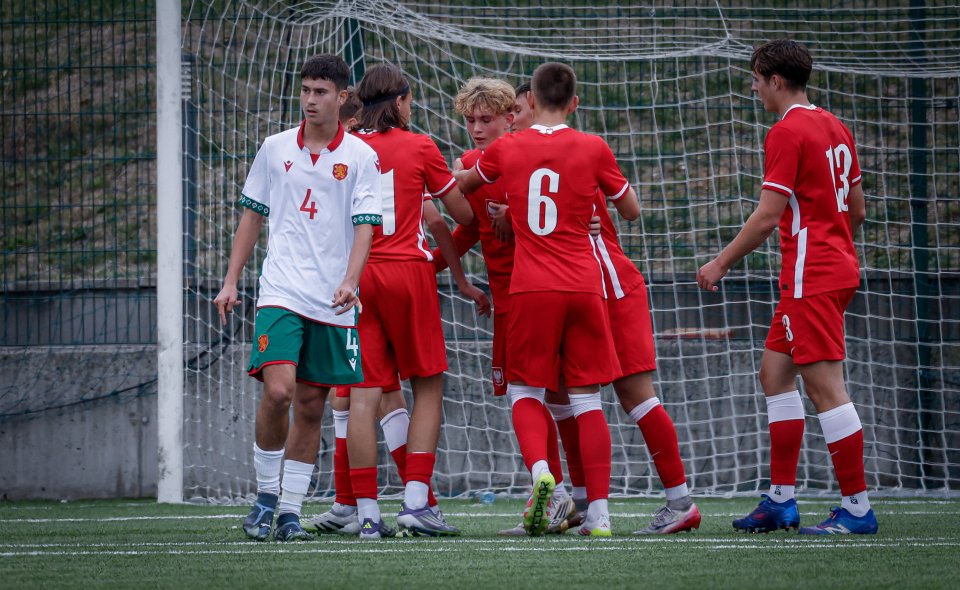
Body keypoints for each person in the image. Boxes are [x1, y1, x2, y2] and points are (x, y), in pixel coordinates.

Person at [697, 39, 876, 535]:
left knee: (826, 389)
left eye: (756, 78)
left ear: (775, 80)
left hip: (811, 278)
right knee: (775, 374)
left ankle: (858, 508)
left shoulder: (787, 132)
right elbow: (856, 210)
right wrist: (830, 242)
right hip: (830, 270)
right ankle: (781, 499)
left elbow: (766, 217)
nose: (753, 87)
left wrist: (719, 263)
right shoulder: (835, 126)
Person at [456, 62, 641, 537]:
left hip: (532, 288)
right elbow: (632, 210)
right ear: (574, 103)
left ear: (529, 102)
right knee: (587, 400)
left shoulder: (507, 148)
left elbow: (464, 186)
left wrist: (504, 202)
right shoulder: (593, 147)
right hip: (584, 286)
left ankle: (543, 475)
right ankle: (598, 515)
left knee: (525, 391)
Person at [213, 54, 382, 542]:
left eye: (321, 91)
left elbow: (365, 225)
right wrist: (230, 280)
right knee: (279, 390)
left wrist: (351, 280)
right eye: (306, 90)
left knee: (311, 406)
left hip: (332, 299)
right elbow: (252, 215)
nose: (310, 99)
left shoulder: (361, 157)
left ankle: (289, 512)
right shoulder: (274, 148)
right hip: (281, 290)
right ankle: (266, 495)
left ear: (342, 98)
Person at [347, 62, 484, 539]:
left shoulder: (345, 148)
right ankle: (415, 501)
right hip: (408, 272)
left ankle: (366, 514)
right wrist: (472, 178)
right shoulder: (420, 145)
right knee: (427, 384)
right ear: (403, 102)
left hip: (356, 277)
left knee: (364, 395)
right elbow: (462, 213)